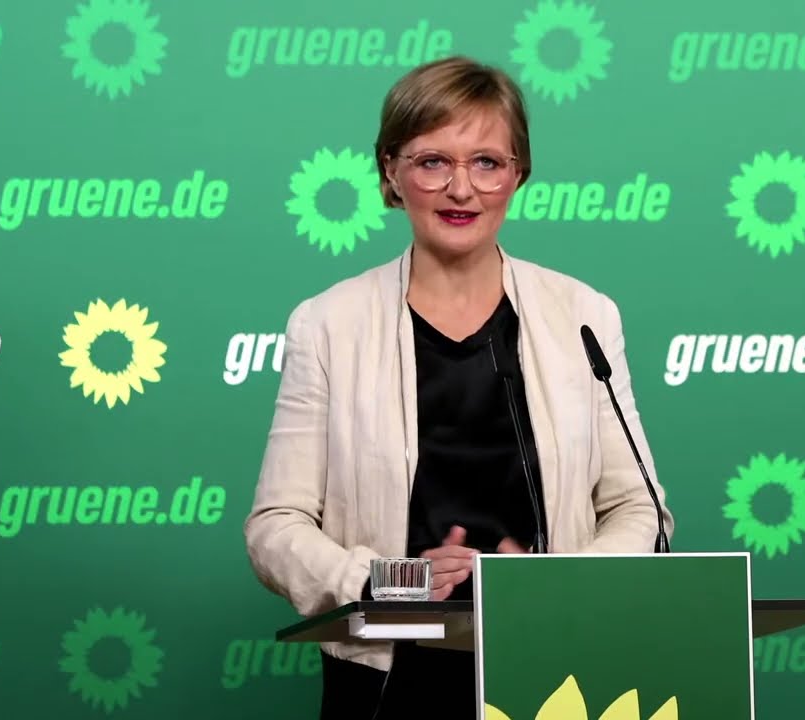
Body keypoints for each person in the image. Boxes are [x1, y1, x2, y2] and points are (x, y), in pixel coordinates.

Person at [243, 55, 675, 720]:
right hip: (387, 676)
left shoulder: (584, 315)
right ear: (390, 172)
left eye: (487, 163)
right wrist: (387, 582)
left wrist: (540, 585)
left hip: (556, 664)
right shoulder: (328, 324)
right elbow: (276, 529)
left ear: (518, 174)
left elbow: (640, 511)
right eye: (432, 161)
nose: (461, 190)